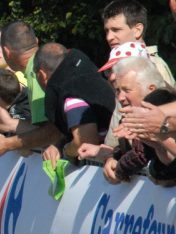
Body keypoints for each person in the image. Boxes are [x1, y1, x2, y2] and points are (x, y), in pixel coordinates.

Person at [0, 21, 61, 162]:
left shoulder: (35, 73)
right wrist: (8, 123)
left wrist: (7, 143)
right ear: (36, 41)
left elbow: (50, 132)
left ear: (6, 51)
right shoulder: (46, 63)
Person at [34, 43, 115, 168]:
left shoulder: (71, 96)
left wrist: (66, 150)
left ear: (42, 74)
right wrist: (58, 144)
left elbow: (84, 142)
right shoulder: (86, 76)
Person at [102, 57, 175, 186]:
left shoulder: (157, 102)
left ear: (151, 88)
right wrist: (111, 157)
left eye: (127, 90)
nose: (120, 97)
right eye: (118, 90)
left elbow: (140, 154)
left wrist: (119, 169)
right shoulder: (130, 118)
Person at [102, 0, 174, 86]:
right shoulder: (113, 65)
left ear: (137, 30)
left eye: (116, 30)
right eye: (107, 31)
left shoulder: (154, 67)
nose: (109, 37)